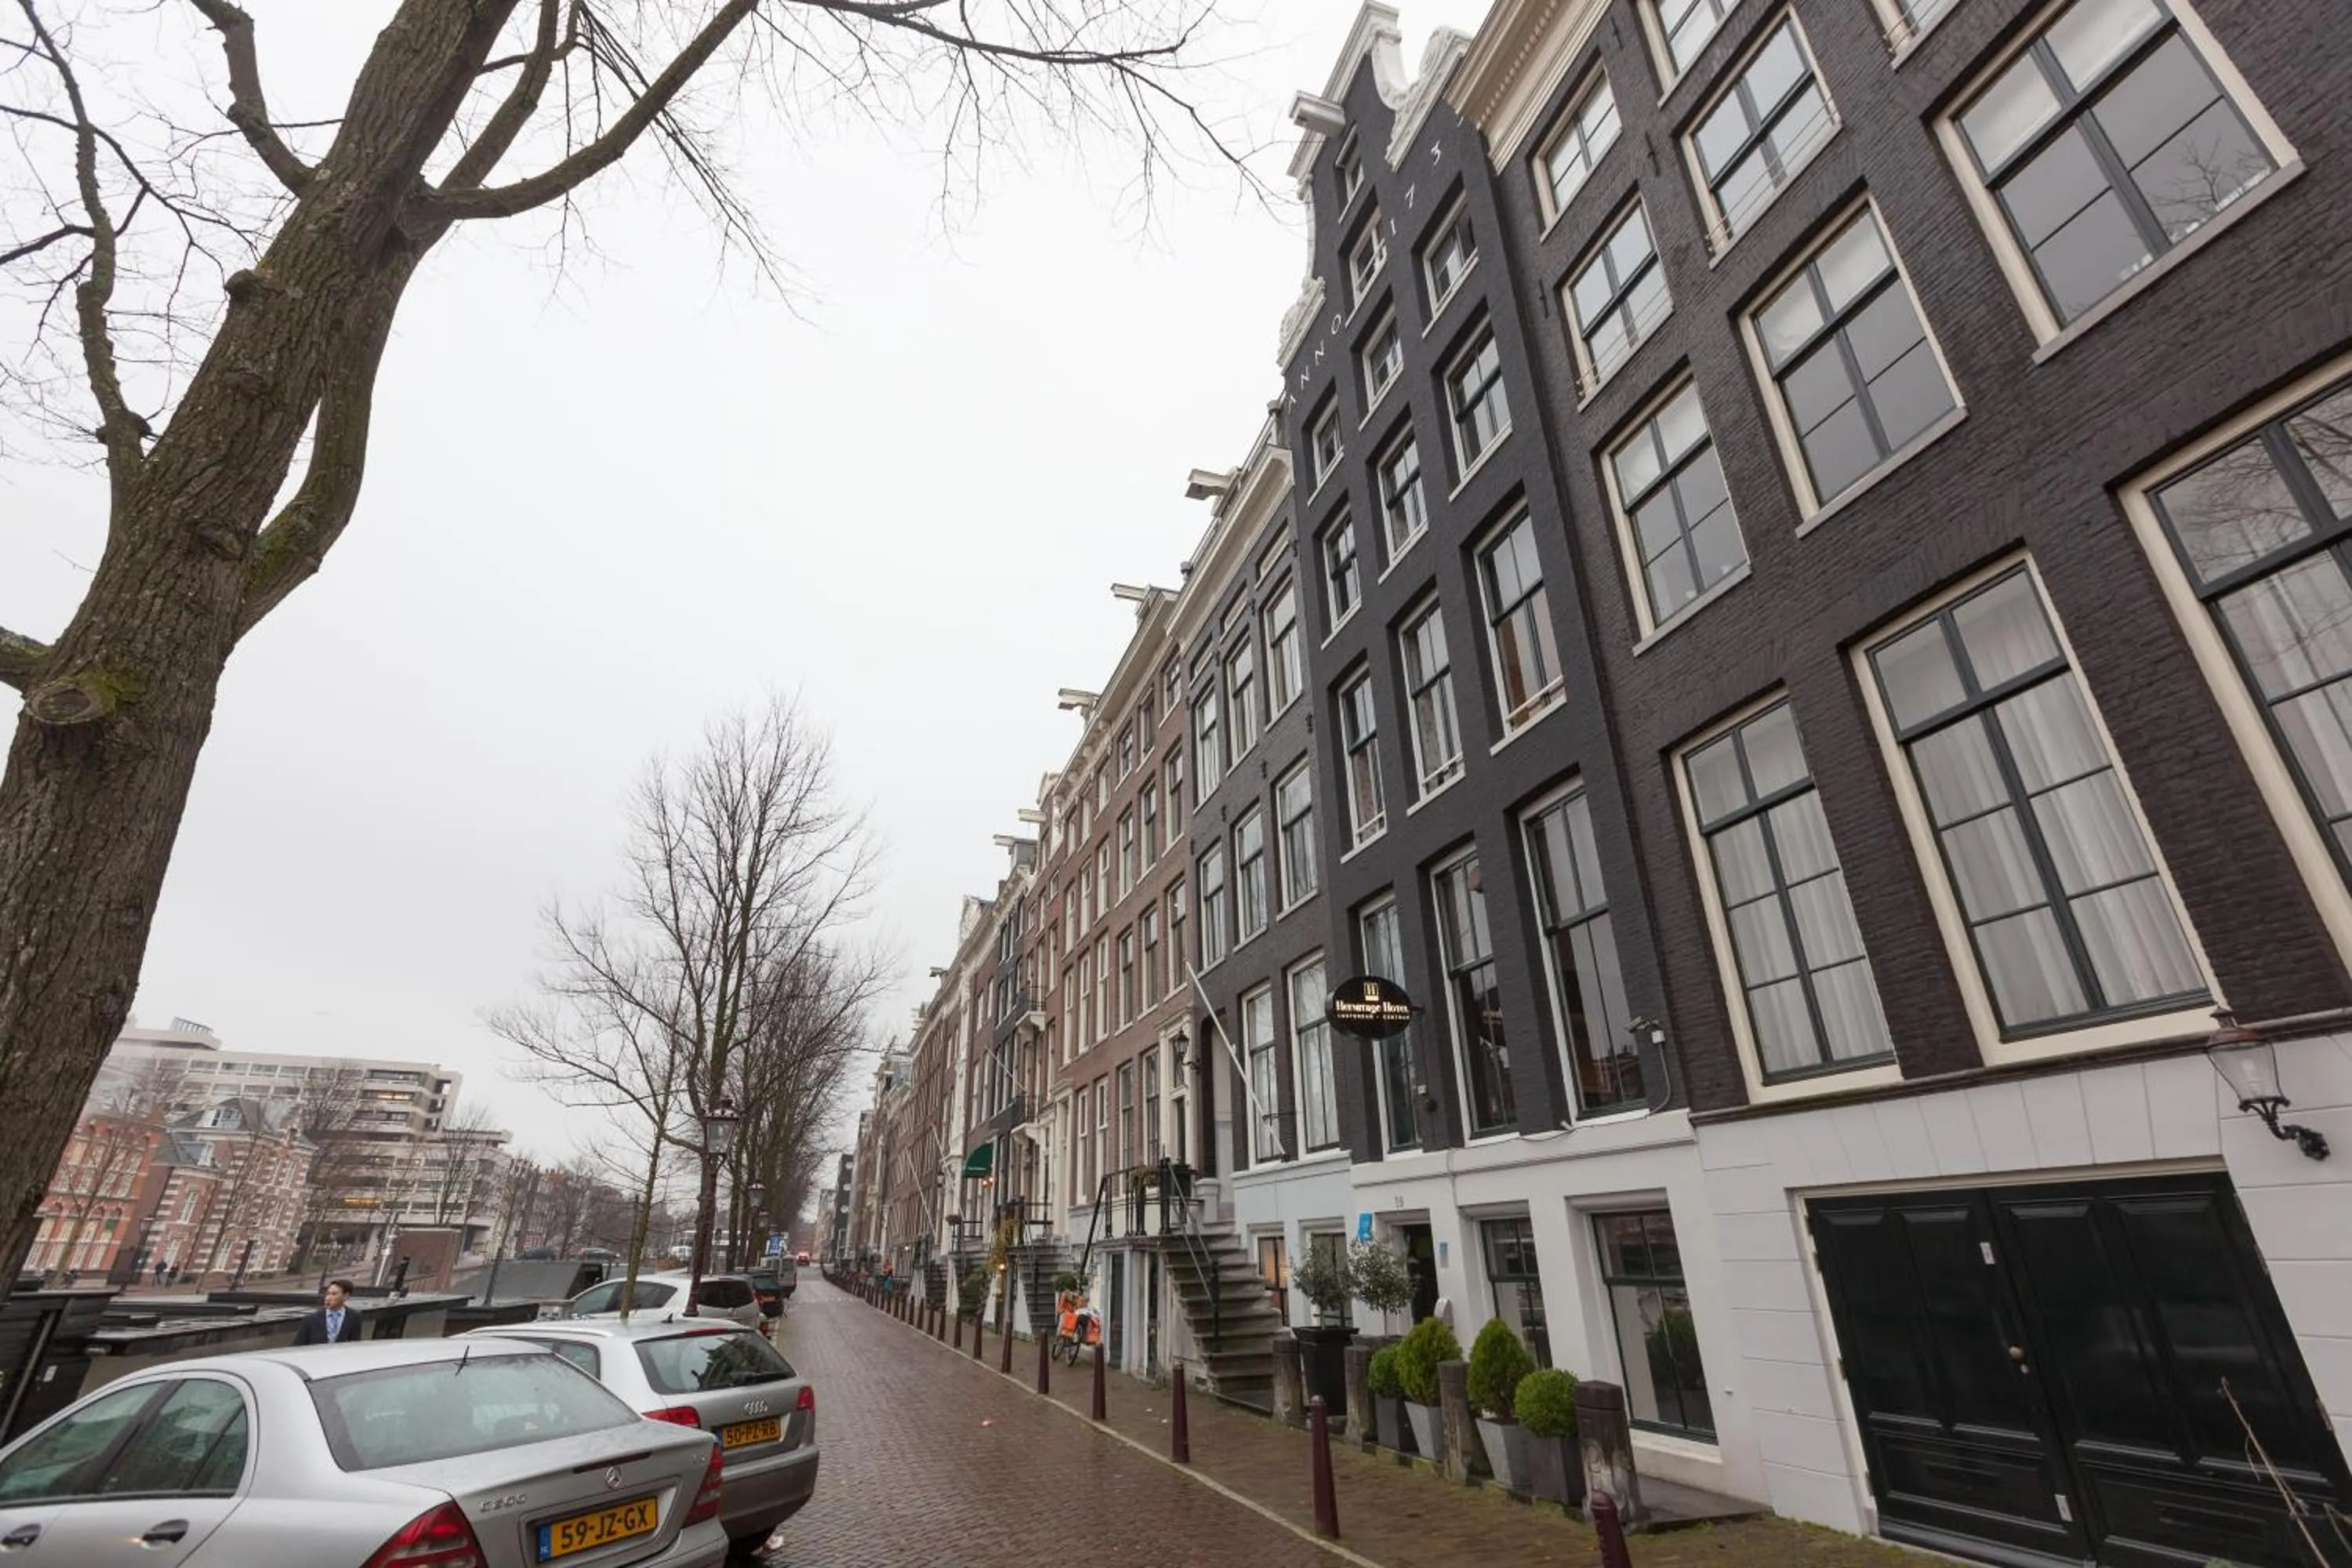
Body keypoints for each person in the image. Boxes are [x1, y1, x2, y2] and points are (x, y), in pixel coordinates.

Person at [292, 1279, 362, 1345]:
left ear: (345, 1296)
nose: (328, 1298)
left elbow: (354, 1344)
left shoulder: (353, 1317)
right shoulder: (311, 1320)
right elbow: (298, 1347)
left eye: (334, 1294)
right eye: (328, 1294)